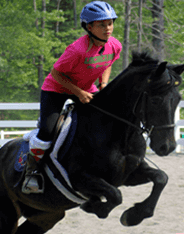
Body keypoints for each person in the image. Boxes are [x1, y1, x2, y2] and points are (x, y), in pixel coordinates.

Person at [22, 1, 122, 194]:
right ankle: (31, 170)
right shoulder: (77, 50)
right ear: (89, 27)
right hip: (56, 90)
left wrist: (103, 84)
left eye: (110, 23)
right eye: (101, 25)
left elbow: (108, 63)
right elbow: (56, 74)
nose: (107, 29)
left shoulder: (114, 45)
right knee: (46, 132)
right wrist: (78, 93)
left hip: (86, 88)